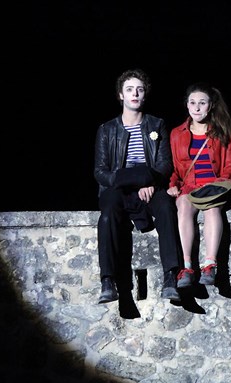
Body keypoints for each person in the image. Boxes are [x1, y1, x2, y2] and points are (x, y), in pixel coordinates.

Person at [94, 69, 181, 306]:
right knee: (108, 213)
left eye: (139, 90)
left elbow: (164, 164)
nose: (135, 94)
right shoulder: (107, 129)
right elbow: (100, 171)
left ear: (145, 95)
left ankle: (171, 277)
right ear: (120, 95)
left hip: (150, 185)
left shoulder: (156, 124)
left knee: (166, 207)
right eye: (130, 89)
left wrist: (150, 182)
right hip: (119, 188)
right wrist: (136, 180)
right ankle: (107, 281)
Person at [166, 83, 231, 288]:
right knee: (183, 206)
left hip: (213, 186)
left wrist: (220, 182)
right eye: (192, 103)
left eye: (202, 103)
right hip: (190, 186)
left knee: (212, 210)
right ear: (187, 105)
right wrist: (173, 184)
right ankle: (187, 267)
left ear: (210, 106)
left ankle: (210, 265)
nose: (197, 107)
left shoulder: (222, 131)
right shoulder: (177, 133)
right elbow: (173, 167)